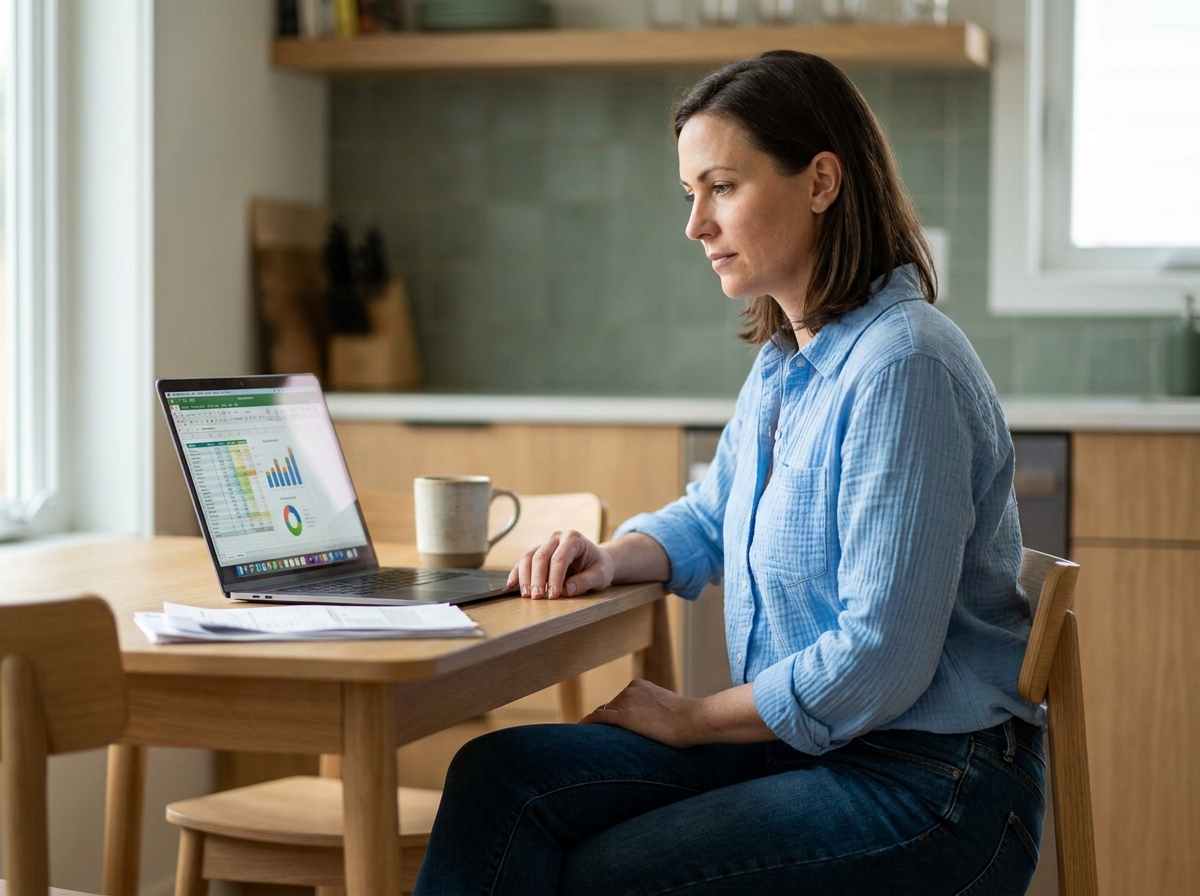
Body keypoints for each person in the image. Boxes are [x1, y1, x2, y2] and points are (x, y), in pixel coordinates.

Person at [414, 50, 1045, 896]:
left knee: (595, 875)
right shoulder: (793, 359)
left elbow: (878, 659)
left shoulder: (904, 367)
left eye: (723, 188)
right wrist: (614, 552)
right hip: (818, 751)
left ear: (821, 181)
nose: (696, 225)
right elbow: (715, 515)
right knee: (500, 774)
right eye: (690, 195)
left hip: (933, 786)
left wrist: (691, 718)